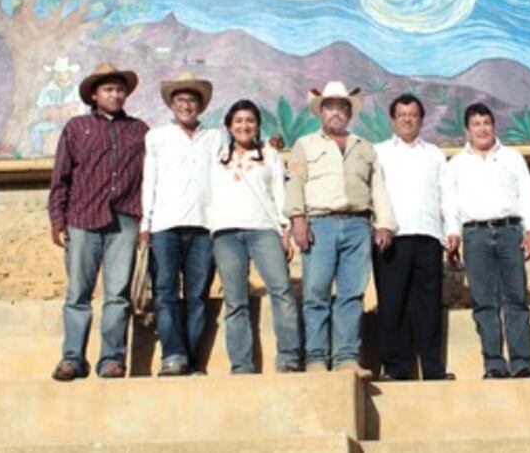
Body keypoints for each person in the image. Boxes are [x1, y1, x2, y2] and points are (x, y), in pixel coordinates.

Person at [284, 81, 397, 372]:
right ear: (321, 112)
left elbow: (378, 186)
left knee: (351, 293)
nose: (336, 113)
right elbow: (295, 183)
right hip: (319, 224)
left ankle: (347, 357)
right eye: (330, 107)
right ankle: (316, 358)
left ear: (349, 112)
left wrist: (384, 224)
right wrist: (298, 220)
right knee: (316, 293)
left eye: (341, 107)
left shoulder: (364, 147)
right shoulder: (304, 145)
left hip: (358, 224)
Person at [48, 63, 148, 381]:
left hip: (125, 219)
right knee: (78, 293)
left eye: (119, 89)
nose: (115, 94)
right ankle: (73, 358)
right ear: (94, 94)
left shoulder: (139, 130)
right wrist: (57, 217)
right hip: (82, 218)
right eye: (108, 89)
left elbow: (153, 175)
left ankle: (111, 359)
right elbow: (61, 176)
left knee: (118, 294)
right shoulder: (77, 128)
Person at [442, 102, 530, 379]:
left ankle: (522, 363)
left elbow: (525, 195)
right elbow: (449, 202)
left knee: (515, 299)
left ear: (493, 126)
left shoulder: (511, 158)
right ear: (467, 130)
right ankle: (494, 364)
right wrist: (452, 233)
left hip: (510, 231)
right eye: (476, 124)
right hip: (475, 235)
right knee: (484, 302)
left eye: (487, 123)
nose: (482, 129)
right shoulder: (457, 164)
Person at [210, 99, 302, 374]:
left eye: (250, 121)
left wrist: (285, 231)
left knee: (282, 291)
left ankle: (288, 358)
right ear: (229, 125)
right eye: (238, 121)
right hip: (225, 234)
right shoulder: (216, 154)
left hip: (264, 230)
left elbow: (280, 192)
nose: (244, 126)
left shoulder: (270, 155)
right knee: (235, 301)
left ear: (258, 126)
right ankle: (241, 365)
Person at [140, 72, 222, 376]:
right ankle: (173, 354)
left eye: (191, 100)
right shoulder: (157, 137)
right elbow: (150, 181)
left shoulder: (214, 138)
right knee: (164, 292)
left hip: (204, 225)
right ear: (171, 104)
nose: (186, 105)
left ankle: (191, 356)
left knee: (198, 295)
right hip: (164, 225)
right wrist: (145, 224)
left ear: (200, 105)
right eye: (180, 100)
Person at [373, 93, 453, 381]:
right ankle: (396, 369)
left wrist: (450, 230)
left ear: (421, 119)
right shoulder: (379, 152)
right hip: (392, 238)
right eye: (402, 115)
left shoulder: (434, 154)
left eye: (413, 115)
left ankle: (433, 368)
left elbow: (446, 196)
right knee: (393, 305)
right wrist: (378, 225)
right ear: (392, 120)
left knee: (428, 306)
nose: (408, 119)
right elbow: (373, 193)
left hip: (428, 235)